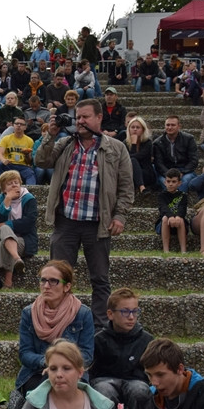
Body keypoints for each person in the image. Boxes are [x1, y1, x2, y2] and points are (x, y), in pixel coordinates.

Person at [36, 99, 132, 325]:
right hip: (66, 221)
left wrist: (120, 216)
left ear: (99, 118)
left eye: (85, 117)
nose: (80, 121)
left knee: (99, 278)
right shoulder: (65, 143)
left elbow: (126, 187)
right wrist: (50, 135)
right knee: (56, 277)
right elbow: (41, 160)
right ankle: (58, 321)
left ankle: (100, 326)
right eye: (77, 117)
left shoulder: (116, 148)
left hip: (97, 224)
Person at [17, 260, 95, 395]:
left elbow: (87, 355)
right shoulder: (29, 313)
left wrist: (59, 366)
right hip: (36, 372)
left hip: (71, 372)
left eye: (53, 281)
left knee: (61, 386)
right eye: (43, 280)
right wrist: (47, 363)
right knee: (43, 389)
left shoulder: (82, 313)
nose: (46, 286)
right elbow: (25, 353)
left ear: (67, 286)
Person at [90, 287, 153, 409]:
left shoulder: (146, 340)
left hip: (135, 380)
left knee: (140, 391)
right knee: (104, 391)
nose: (131, 317)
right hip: (105, 380)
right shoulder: (99, 339)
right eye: (125, 312)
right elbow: (92, 370)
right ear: (110, 314)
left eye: (135, 312)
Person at [157, 168, 188, 253]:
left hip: (179, 223)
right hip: (164, 224)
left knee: (181, 220)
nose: (170, 184)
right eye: (168, 181)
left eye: (174, 182)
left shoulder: (183, 195)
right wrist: (170, 216)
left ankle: (183, 250)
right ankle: (166, 250)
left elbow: (182, 209)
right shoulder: (161, 195)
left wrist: (177, 216)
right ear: (165, 182)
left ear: (179, 183)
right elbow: (163, 208)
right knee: (165, 218)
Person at [125, 116, 155, 195]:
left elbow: (137, 157)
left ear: (142, 130)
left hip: (146, 174)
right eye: (132, 127)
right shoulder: (125, 143)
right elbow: (124, 159)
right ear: (129, 129)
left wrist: (134, 144)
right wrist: (133, 143)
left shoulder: (147, 143)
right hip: (130, 174)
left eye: (138, 127)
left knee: (133, 160)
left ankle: (142, 187)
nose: (135, 129)